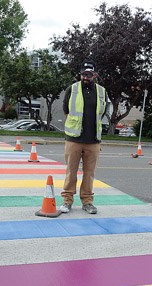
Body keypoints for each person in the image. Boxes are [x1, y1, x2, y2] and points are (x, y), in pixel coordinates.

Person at [59, 59, 111, 214]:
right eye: (83, 74)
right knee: (71, 171)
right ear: (80, 74)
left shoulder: (102, 91)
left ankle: (87, 202)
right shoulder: (72, 89)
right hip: (74, 139)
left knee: (89, 173)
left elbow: (102, 112)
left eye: (89, 75)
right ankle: (67, 201)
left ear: (94, 75)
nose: (86, 77)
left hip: (93, 140)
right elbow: (66, 109)